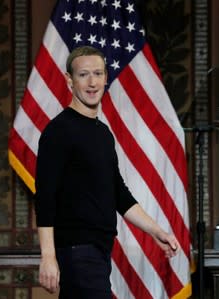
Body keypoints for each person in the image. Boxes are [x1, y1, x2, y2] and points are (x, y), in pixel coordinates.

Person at [34, 45, 179, 299]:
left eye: (98, 74)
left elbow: (119, 194)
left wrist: (158, 232)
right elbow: (44, 197)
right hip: (77, 252)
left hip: (99, 251)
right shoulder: (58, 131)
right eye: (83, 75)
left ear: (106, 78)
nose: (92, 82)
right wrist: (48, 256)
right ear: (69, 80)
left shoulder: (102, 134)